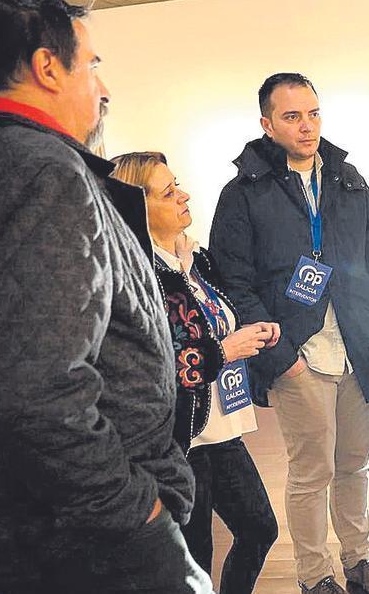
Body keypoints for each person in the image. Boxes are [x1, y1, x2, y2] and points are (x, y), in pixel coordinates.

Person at [0, 0, 210, 593]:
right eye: (91, 64)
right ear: (47, 68)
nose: (103, 86)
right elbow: (33, 392)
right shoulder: (41, 175)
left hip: (4, 518)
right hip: (71, 539)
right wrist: (137, 516)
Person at [210, 73, 369, 594]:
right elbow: (233, 280)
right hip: (299, 354)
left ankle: (359, 559)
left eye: (313, 113)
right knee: (310, 473)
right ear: (267, 123)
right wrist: (280, 355)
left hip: (357, 348)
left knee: (355, 465)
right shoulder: (243, 193)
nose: (307, 126)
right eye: (292, 116)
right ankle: (315, 575)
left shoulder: (347, 180)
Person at [111, 151, 282, 594]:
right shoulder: (134, 278)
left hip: (220, 428)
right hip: (178, 439)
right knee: (194, 558)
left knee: (259, 528)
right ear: (137, 208)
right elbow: (151, 365)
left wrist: (249, 332)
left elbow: (210, 323)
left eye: (177, 184)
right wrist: (224, 350)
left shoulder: (195, 261)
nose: (184, 195)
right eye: (169, 193)